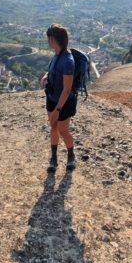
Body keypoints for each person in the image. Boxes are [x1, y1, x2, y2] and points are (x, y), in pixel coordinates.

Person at [39, 24, 77, 172]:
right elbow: (52, 71)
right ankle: (53, 158)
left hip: (64, 103)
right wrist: (45, 76)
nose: (48, 41)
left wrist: (57, 109)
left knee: (63, 130)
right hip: (52, 98)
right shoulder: (56, 54)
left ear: (54, 39)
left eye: (49, 38)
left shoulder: (68, 61)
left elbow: (67, 90)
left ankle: (71, 155)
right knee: (53, 127)